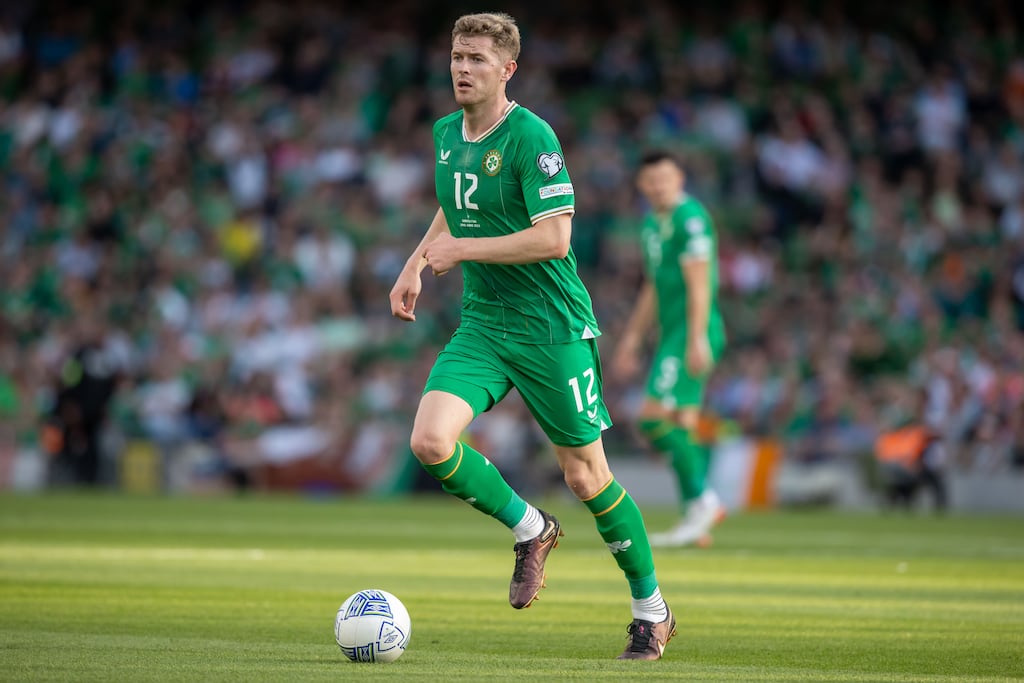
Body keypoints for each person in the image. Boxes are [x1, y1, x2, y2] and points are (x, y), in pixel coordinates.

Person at [388, 13, 674, 660]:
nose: (463, 68)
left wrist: (461, 251)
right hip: (485, 325)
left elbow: (555, 236)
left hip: (551, 328)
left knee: (586, 474)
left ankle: (651, 609)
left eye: (478, 60)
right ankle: (531, 528)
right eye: (458, 56)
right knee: (430, 441)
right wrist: (415, 263)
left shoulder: (531, 136)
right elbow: (453, 205)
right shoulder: (445, 133)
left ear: (507, 70)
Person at [612, 150, 727, 547]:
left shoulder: (689, 218)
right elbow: (653, 288)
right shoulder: (651, 224)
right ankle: (697, 522)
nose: (659, 185)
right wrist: (631, 338)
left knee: (651, 418)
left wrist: (696, 337)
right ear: (642, 185)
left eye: (666, 177)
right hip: (673, 333)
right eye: (651, 180)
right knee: (683, 425)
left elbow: (700, 282)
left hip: (690, 332)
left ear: (680, 178)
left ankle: (703, 500)